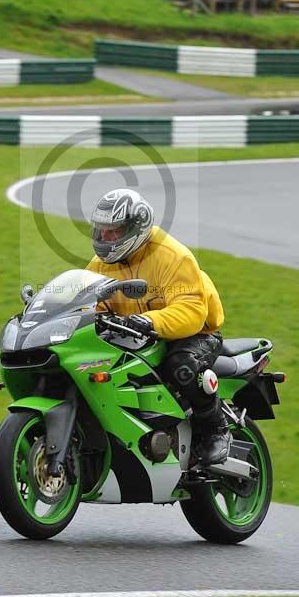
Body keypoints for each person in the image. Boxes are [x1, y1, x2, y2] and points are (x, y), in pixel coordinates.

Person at [86, 187, 231, 466]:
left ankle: (215, 429)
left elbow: (191, 310)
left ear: (135, 227)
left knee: (180, 365)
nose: (105, 238)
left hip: (195, 333)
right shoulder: (99, 265)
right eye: (101, 230)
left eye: (113, 231)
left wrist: (151, 321)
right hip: (135, 334)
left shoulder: (173, 256)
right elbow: (90, 303)